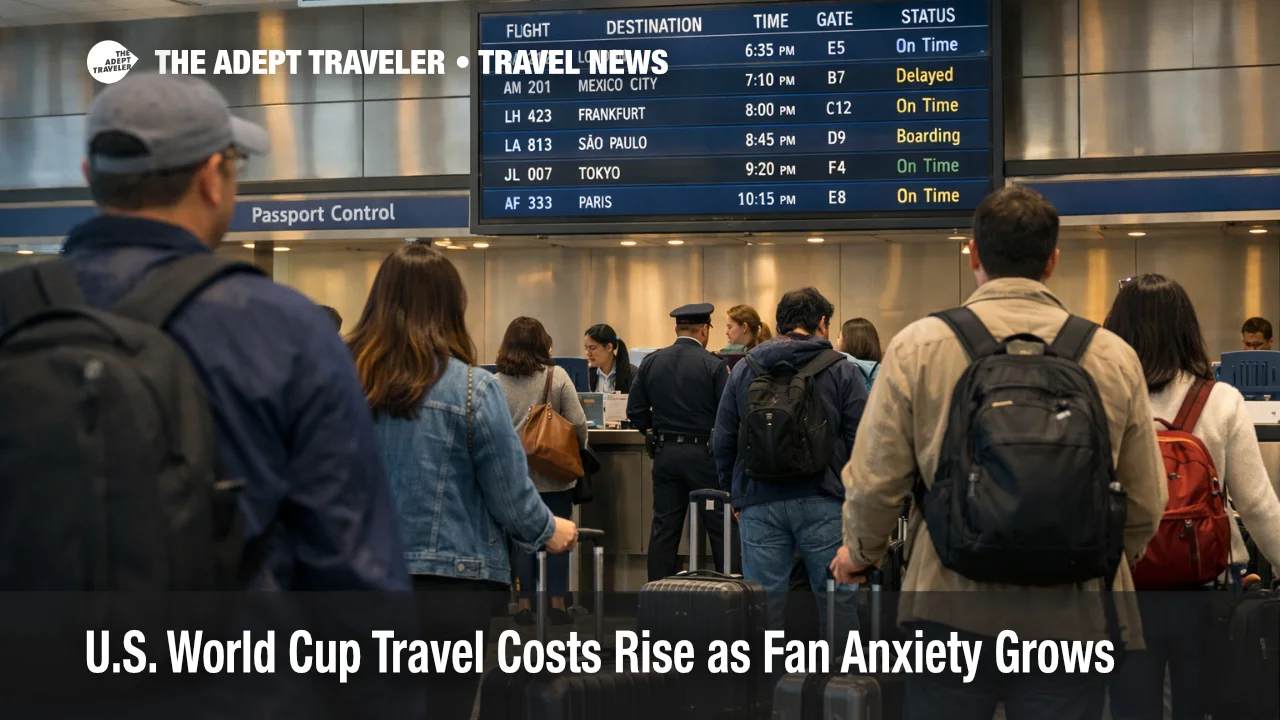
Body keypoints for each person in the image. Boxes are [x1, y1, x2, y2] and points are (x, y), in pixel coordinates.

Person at [0, 72, 410, 591]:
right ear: (212, 178)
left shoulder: (12, 308)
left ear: (89, 175)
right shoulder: (284, 328)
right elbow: (354, 567)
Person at [831, 187, 1168, 720]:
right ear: (1052, 260)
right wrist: (1092, 551)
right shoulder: (1111, 354)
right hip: (1072, 617)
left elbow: (877, 479)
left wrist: (860, 552)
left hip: (949, 605)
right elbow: (1147, 500)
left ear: (973, 254)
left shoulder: (920, 346)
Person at [349, 245, 577, 720]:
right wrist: (548, 529)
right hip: (446, 587)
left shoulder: (339, 380)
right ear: (451, 308)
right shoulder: (472, 388)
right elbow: (509, 494)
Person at [1103, 274, 1280, 720]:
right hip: (1206, 589)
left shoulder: (1100, 399)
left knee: (1130, 707)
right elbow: (1258, 505)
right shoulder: (1221, 399)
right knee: (1200, 705)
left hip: (1124, 589)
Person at [713, 288, 866, 642]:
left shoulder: (745, 368)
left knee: (764, 609)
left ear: (780, 322)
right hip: (825, 499)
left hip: (758, 500)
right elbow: (863, 440)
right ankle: (841, 676)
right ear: (822, 323)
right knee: (837, 603)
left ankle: (770, 678)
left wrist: (735, 493)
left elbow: (722, 439)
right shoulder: (842, 369)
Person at [627, 303, 735, 579]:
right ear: (704, 330)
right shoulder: (714, 365)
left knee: (664, 528)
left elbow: (635, 411)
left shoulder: (651, 362)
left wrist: (654, 430)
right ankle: (731, 590)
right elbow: (728, 414)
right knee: (719, 526)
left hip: (665, 454)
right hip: (704, 456)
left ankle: (657, 591)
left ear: (677, 329)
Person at [496, 316, 590, 626]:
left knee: (522, 541)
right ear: (541, 344)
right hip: (554, 477)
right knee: (557, 538)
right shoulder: (556, 376)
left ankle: (524, 603)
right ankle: (557, 604)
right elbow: (578, 423)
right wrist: (574, 450)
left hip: (515, 479)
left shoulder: (496, 382)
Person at [584, 323, 636, 394]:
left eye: (592, 348)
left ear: (609, 347)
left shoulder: (633, 375)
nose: (587, 353)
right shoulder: (586, 374)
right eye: (586, 348)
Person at [837, 317, 882, 391]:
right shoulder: (882, 372)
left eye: (839, 337)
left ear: (849, 342)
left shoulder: (840, 370)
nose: (837, 341)